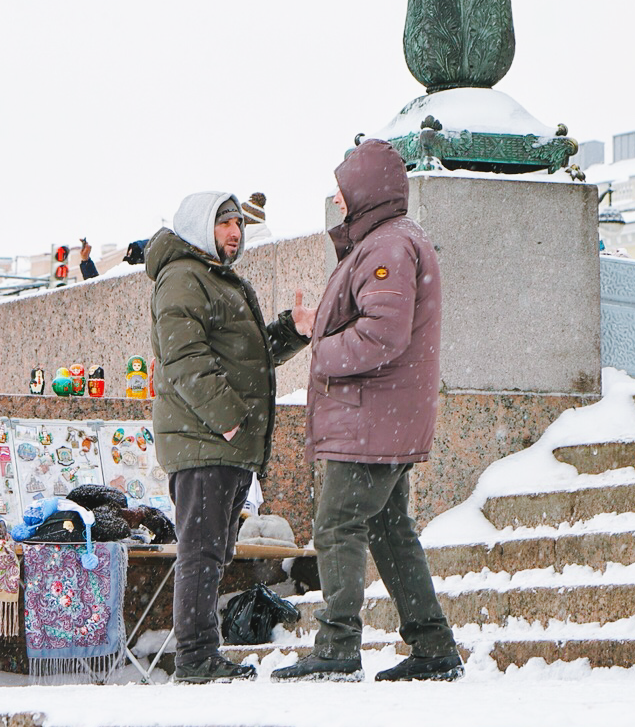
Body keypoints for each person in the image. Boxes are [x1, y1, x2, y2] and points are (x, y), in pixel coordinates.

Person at [273, 138, 462, 684]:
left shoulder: (385, 247)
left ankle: (337, 647)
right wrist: (318, 327)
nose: (336, 200)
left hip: (371, 418)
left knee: (337, 525)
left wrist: (320, 351)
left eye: (342, 190)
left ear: (365, 190)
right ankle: (432, 645)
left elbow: (383, 332)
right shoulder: (388, 241)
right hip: (383, 417)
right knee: (388, 528)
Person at [146, 191, 309, 682]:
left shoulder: (218, 278)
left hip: (225, 442)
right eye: (223, 223)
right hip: (204, 440)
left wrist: (291, 331)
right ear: (200, 227)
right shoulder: (181, 277)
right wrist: (227, 417)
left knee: (216, 547)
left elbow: (245, 355)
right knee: (202, 549)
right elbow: (184, 357)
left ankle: (203, 652)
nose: (235, 232)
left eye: (238, 223)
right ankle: (195, 656)